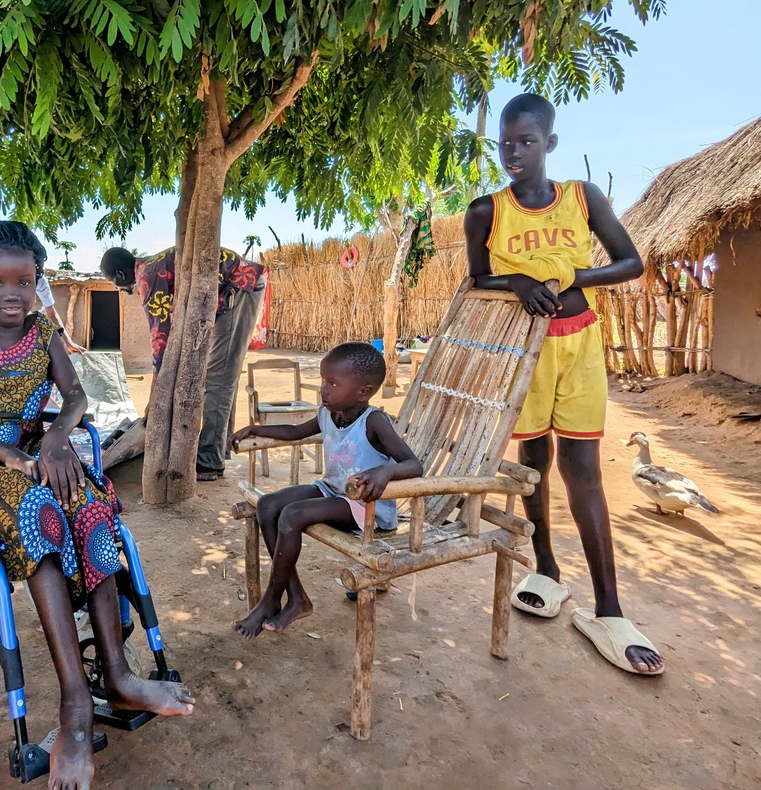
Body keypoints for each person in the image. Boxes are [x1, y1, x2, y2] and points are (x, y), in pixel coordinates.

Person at [0, 221, 194, 789]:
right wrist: (9, 457)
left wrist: (59, 437)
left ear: (39, 283)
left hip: (37, 452)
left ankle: (118, 673)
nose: (11, 293)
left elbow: (78, 395)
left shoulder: (43, 335)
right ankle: (74, 709)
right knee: (41, 511)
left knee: (87, 504)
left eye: (24, 281)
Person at [464, 93, 663, 675]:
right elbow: (478, 278)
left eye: (526, 141)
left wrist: (575, 276)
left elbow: (631, 263)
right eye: (505, 142)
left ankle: (609, 608)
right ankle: (546, 569)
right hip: (521, 354)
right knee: (533, 462)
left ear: (549, 143)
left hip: (579, 347)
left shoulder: (583, 198)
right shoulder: (486, 211)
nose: (513, 152)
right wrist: (518, 281)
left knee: (584, 471)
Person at [228, 343, 422, 639]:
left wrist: (386, 471)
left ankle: (271, 598)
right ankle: (296, 599)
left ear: (363, 391)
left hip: (365, 508)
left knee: (292, 514)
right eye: (323, 380)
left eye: (333, 383)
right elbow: (295, 432)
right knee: (268, 505)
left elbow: (413, 465)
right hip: (331, 491)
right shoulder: (328, 413)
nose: (324, 389)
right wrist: (255, 429)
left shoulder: (375, 421)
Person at [100, 245, 265, 481]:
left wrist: (156, 390)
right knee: (220, 374)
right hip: (236, 288)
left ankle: (210, 461)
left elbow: (160, 338)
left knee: (219, 378)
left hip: (241, 288)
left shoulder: (147, 276)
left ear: (120, 275)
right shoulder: (152, 265)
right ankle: (216, 450)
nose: (120, 290)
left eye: (115, 284)